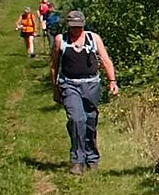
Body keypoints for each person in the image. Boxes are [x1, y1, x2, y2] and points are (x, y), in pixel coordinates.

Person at [49, 10, 119, 173]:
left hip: (91, 85)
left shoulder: (93, 39)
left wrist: (112, 81)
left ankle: (92, 157)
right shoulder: (61, 40)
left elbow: (106, 60)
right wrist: (55, 88)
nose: (76, 30)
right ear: (68, 26)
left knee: (90, 121)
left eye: (79, 27)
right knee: (76, 119)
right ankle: (77, 160)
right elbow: (54, 65)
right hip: (69, 85)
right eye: (73, 27)